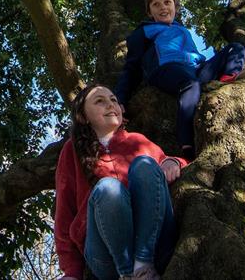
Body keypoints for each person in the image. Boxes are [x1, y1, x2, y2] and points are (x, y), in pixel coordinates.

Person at [55, 83, 188, 280]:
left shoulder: (138, 141)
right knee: (108, 188)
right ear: (83, 117)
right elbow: (64, 212)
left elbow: (175, 165)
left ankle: (143, 266)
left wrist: (172, 161)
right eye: (99, 101)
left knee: (144, 164)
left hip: (156, 242)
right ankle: (127, 274)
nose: (110, 105)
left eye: (113, 100)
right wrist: (71, 272)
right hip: (106, 255)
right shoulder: (71, 151)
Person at [114, 0, 245, 160]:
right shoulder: (144, 31)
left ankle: (227, 78)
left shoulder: (182, 29)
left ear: (175, 6)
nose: (163, 7)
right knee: (190, 84)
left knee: (235, 48)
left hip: (196, 68)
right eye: (156, 5)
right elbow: (131, 67)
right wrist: (120, 99)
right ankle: (187, 144)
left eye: (167, 2)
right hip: (167, 68)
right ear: (150, 12)